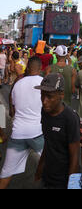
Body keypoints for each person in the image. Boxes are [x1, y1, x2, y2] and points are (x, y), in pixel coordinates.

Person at [0, 57, 44, 189]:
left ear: (28, 68)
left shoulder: (18, 83)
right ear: (40, 68)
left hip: (18, 134)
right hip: (38, 133)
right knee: (55, 165)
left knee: (6, 172)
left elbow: (12, 108)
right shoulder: (43, 82)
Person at [34, 73, 80, 189]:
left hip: (62, 180)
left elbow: (75, 156)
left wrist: (71, 184)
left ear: (61, 95)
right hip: (47, 174)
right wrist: (40, 166)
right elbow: (48, 142)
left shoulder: (70, 118)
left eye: (49, 96)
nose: (44, 101)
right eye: (42, 95)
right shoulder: (45, 111)